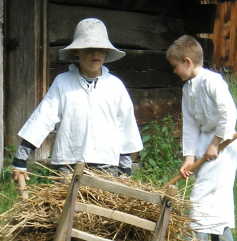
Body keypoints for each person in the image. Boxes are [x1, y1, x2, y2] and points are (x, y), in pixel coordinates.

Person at [11, 18, 143, 182]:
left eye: (99, 48)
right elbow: (43, 117)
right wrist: (20, 159)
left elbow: (126, 127)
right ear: (76, 52)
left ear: (106, 52)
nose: (95, 53)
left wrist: (124, 170)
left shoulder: (115, 86)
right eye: (88, 48)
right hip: (68, 164)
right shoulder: (63, 82)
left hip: (106, 165)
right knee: (66, 206)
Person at [166, 35, 237, 241]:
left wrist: (216, 143)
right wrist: (189, 158)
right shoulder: (187, 90)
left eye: (175, 66)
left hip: (224, 144)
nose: (174, 71)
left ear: (187, 62)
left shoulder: (212, 81)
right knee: (215, 200)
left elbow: (229, 113)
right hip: (204, 144)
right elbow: (189, 125)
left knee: (200, 196)